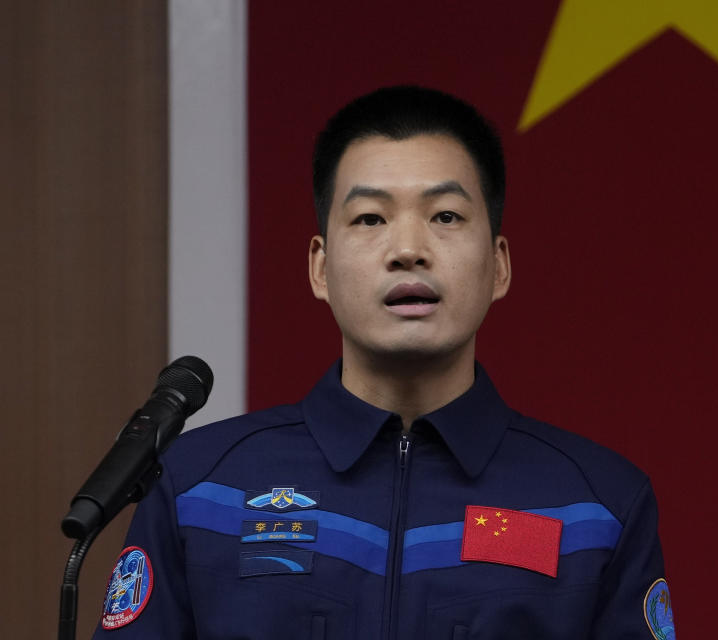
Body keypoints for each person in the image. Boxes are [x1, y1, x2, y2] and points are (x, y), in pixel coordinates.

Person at [92, 86, 675, 639]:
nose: (408, 250)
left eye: (445, 216)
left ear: (498, 265)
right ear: (320, 267)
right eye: (370, 218)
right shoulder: (201, 489)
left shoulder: (596, 507)